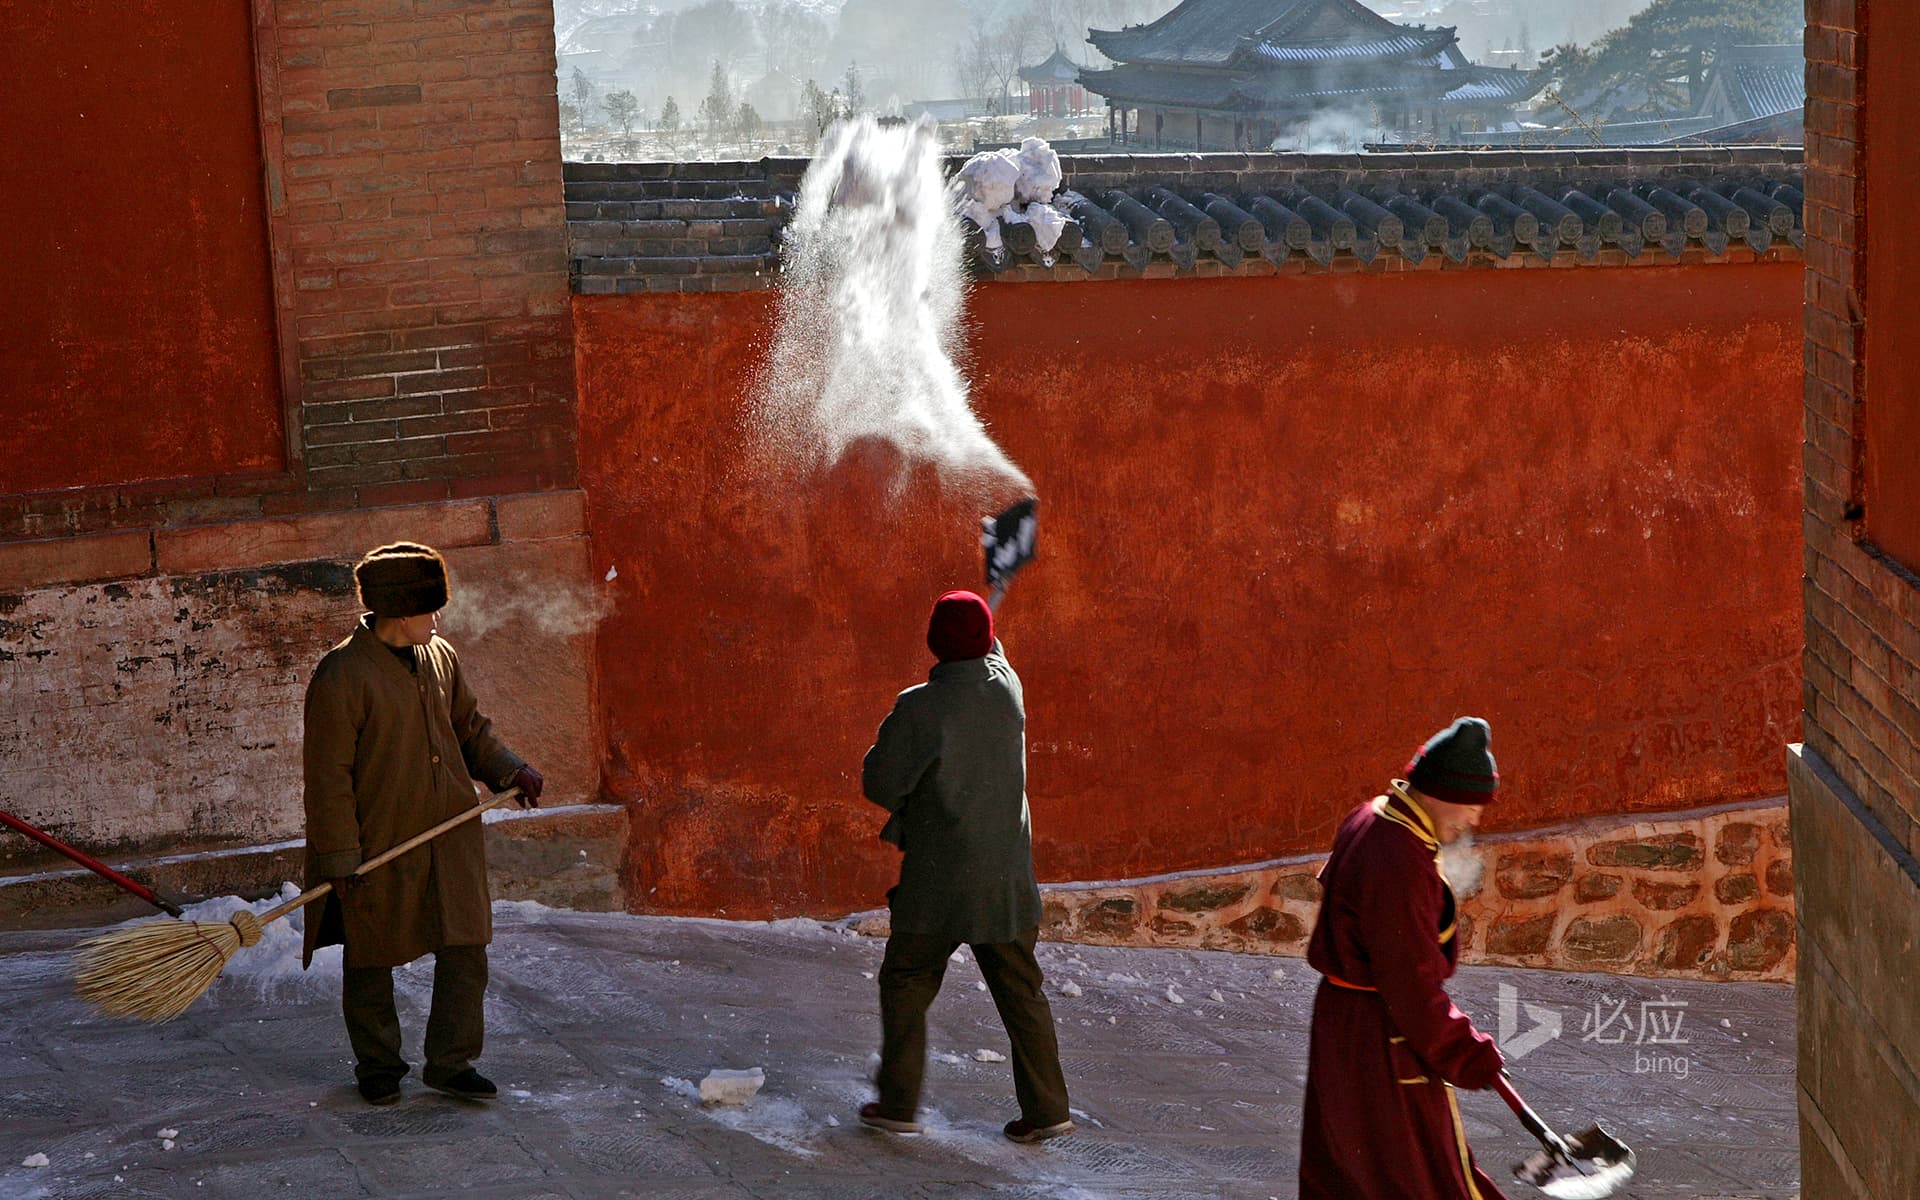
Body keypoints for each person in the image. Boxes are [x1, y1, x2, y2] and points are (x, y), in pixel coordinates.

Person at [301, 542, 544, 1106]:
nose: (437, 620)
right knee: (371, 954)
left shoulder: (441, 656)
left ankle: (452, 1062)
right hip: (379, 843)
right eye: (430, 610)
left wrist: (511, 769)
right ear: (401, 612)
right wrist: (340, 857)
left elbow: (470, 729)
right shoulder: (342, 676)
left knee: (465, 945)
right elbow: (328, 778)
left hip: (449, 835)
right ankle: (379, 1065)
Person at [858, 589, 1073, 1144]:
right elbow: (993, 654)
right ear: (987, 640)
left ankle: (898, 1103)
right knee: (1022, 992)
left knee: (907, 979)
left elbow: (879, 783)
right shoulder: (1008, 690)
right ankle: (1048, 1110)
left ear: (934, 641)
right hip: (1005, 880)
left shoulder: (918, 707)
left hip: (937, 880)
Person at [1298, 717, 1508, 1200]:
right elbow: (1409, 982)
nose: (1474, 820)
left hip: (1345, 1025)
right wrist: (1465, 1052)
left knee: (1353, 1166)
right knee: (1413, 1173)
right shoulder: (1399, 856)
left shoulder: (1371, 816)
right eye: (1472, 805)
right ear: (1441, 792)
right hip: (1379, 1035)